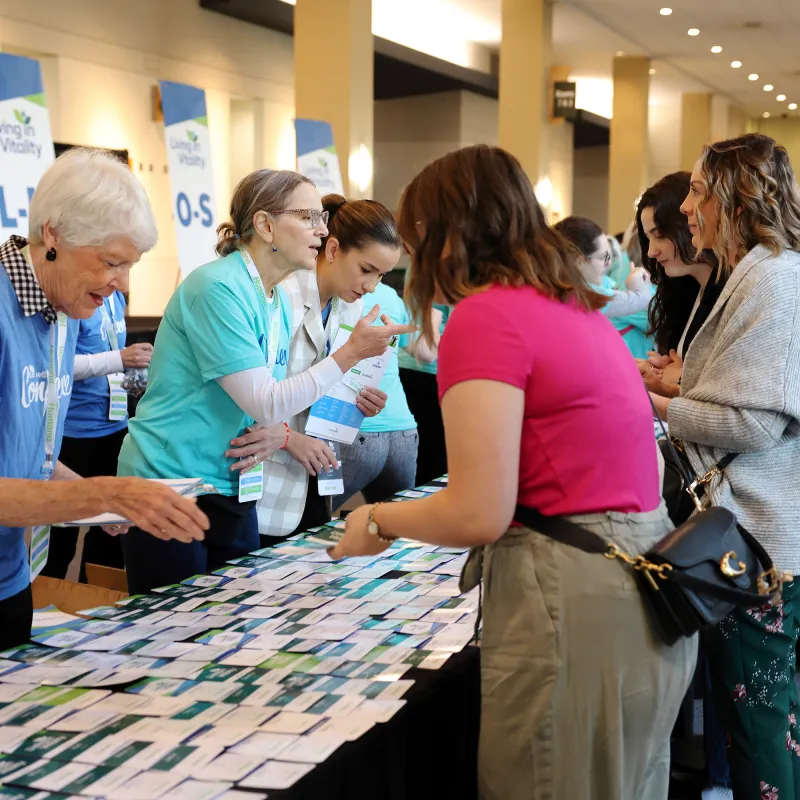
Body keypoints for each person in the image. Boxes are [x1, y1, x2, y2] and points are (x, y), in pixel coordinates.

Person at [330, 144, 697, 799]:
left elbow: (478, 509)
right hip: (638, 590)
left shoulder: (487, 315)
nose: (412, 265)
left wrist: (375, 517)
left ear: (445, 235)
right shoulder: (569, 307)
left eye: (416, 242)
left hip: (578, 599)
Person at [118, 172, 411, 594]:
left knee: (235, 621)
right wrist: (349, 356)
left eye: (321, 217)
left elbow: (281, 398)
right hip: (172, 480)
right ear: (265, 225)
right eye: (309, 216)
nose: (324, 229)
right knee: (172, 634)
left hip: (233, 477)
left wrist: (349, 392)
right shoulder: (218, 286)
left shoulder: (269, 296)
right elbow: (268, 404)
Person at [0, 148, 209, 649]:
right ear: (53, 234)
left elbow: (33, 459)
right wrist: (106, 494)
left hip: (13, 576)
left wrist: (105, 502)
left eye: (130, 265)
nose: (122, 285)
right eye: (111, 262)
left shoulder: (62, 310)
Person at [652, 133, 800, 800]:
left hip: (763, 540)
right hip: (758, 531)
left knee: (758, 723)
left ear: (732, 200)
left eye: (696, 191)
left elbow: (753, 421)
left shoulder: (773, 278)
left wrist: (652, 403)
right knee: (765, 718)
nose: (686, 207)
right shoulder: (754, 275)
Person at [636, 171, 731, 800]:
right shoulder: (694, 297)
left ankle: (718, 776)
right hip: (695, 486)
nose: (651, 251)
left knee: (739, 668)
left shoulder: (756, 287)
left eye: (655, 234)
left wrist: (668, 394)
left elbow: (742, 411)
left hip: (731, 500)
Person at [255, 195, 421, 540]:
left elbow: (325, 382)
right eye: (366, 270)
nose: (372, 286)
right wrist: (289, 438)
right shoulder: (279, 297)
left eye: (382, 275)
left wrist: (358, 399)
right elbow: (256, 394)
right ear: (332, 250)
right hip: (266, 469)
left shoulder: (349, 309)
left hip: (320, 463)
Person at [42, 292, 154, 582]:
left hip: (115, 428)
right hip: (73, 433)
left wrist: (135, 369)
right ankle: (44, 610)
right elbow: (58, 364)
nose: (122, 274)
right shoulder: (73, 300)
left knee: (110, 528)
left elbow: (110, 357)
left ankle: (95, 607)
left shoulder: (115, 297)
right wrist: (119, 358)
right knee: (60, 537)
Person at [334, 279, 440, 509]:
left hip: (353, 428)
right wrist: (432, 317)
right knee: (396, 530)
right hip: (403, 432)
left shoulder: (333, 290)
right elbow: (427, 353)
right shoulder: (390, 294)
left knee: (309, 520)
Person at [554, 215, 655, 358]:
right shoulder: (578, 293)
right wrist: (639, 284)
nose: (608, 263)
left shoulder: (592, 285)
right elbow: (639, 300)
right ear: (579, 262)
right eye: (603, 257)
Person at [398, 301, 450, 486]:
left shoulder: (419, 275)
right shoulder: (450, 278)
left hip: (406, 367)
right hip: (432, 373)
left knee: (419, 458)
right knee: (432, 463)